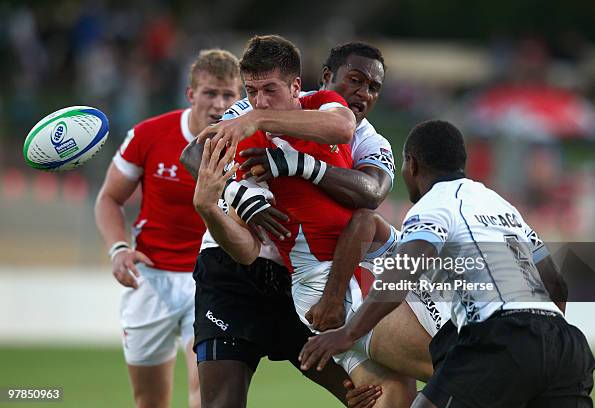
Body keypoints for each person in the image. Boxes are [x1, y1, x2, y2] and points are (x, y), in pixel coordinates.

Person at [299, 120, 594, 408]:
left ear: (411, 164)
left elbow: (406, 269)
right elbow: (556, 283)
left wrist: (348, 333)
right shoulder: (501, 206)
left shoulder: (433, 204)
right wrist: (545, 342)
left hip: (502, 337)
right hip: (566, 345)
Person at [193, 34, 415, 407]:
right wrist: (238, 194)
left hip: (306, 282)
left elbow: (371, 195)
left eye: (373, 87)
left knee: (375, 395)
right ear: (325, 76)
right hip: (233, 272)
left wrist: (294, 164)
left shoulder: (365, 137)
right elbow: (195, 153)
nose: (362, 93)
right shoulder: (261, 105)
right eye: (354, 81)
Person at [94, 49, 242, 408]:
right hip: (149, 278)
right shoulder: (149, 134)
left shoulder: (251, 146)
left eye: (228, 95)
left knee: (206, 394)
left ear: (241, 97)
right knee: (150, 401)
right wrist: (117, 250)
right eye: (210, 93)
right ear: (191, 94)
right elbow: (108, 199)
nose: (219, 103)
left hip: (212, 279)